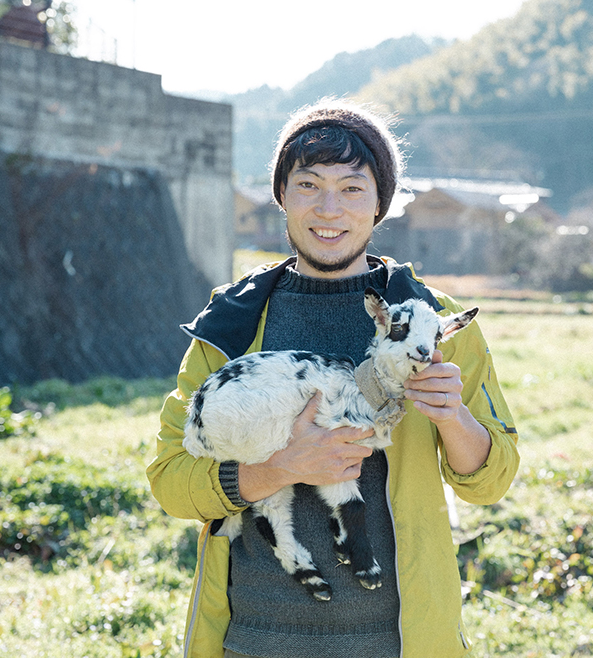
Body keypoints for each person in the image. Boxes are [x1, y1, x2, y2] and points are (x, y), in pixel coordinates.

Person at [147, 98, 520, 658]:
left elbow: (491, 481)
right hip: (253, 640)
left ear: (379, 204)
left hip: (396, 641)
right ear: (281, 196)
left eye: (351, 188)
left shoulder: (434, 322)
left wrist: (453, 416)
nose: (329, 209)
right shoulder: (231, 322)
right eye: (308, 185)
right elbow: (171, 481)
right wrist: (279, 468)